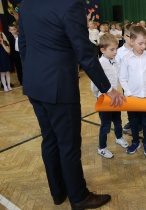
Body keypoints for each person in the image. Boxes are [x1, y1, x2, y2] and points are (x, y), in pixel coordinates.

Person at [18, 0, 126, 208]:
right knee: (68, 144)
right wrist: (107, 88)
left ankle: (58, 192)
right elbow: (84, 53)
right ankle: (79, 196)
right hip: (59, 87)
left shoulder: (26, 4)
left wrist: (33, 73)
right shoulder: (69, 4)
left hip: (34, 84)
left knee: (49, 139)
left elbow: (24, 46)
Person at [119, 26, 146, 155]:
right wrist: (130, 94)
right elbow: (122, 78)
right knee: (134, 121)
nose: (143, 46)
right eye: (140, 43)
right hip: (132, 98)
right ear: (132, 41)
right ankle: (135, 141)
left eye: (145, 43)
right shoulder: (126, 58)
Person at [91, 34, 129, 159]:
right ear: (102, 50)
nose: (115, 52)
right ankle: (102, 147)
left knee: (117, 120)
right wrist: (100, 96)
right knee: (105, 124)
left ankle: (119, 137)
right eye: (112, 50)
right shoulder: (99, 64)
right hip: (104, 100)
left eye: (116, 49)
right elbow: (94, 85)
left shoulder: (115, 61)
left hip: (115, 98)